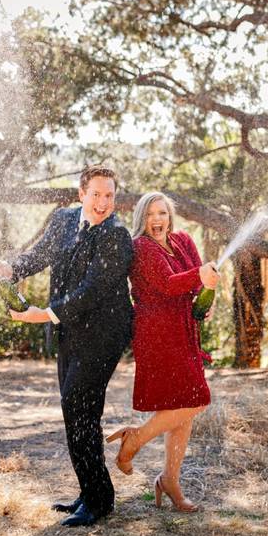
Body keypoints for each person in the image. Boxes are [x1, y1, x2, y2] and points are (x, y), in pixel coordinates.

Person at [0, 165, 134, 527]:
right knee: (77, 412)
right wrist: (9, 269)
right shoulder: (64, 219)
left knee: (78, 404)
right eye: (95, 194)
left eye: (109, 195)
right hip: (70, 332)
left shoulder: (116, 235)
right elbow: (38, 256)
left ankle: (98, 500)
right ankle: (91, 492)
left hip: (104, 335)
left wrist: (45, 315)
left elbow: (91, 292)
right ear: (81, 194)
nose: (102, 202)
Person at [106, 191, 220, 512]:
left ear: (170, 216)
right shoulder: (140, 247)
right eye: (150, 214)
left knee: (183, 404)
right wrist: (199, 277)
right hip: (157, 332)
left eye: (162, 213)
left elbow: (196, 282)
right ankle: (135, 439)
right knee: (196, 400)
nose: (157, 220)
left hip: (184, 329)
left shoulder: (183, 240)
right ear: (142, 218)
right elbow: (169, 284)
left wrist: (205, 296)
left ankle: (170, 480)